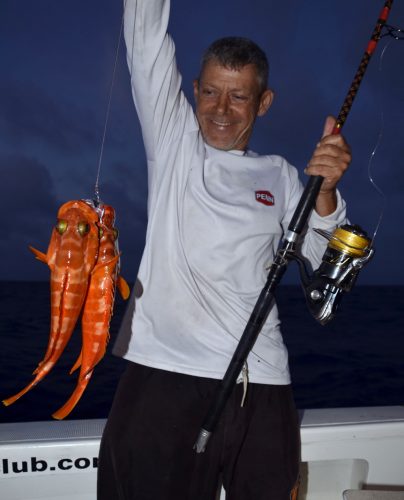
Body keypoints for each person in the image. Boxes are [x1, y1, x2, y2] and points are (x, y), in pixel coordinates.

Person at [97, 0, 351, 499]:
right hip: (163, 372)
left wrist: (325, 194)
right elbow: (145, 40)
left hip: (261, 380)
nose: (220, 108)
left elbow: (325, 270)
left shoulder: (278, 173)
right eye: (210, 91)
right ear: (193, 91)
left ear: (264, 102)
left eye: (239, 97)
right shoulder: (174, 144)